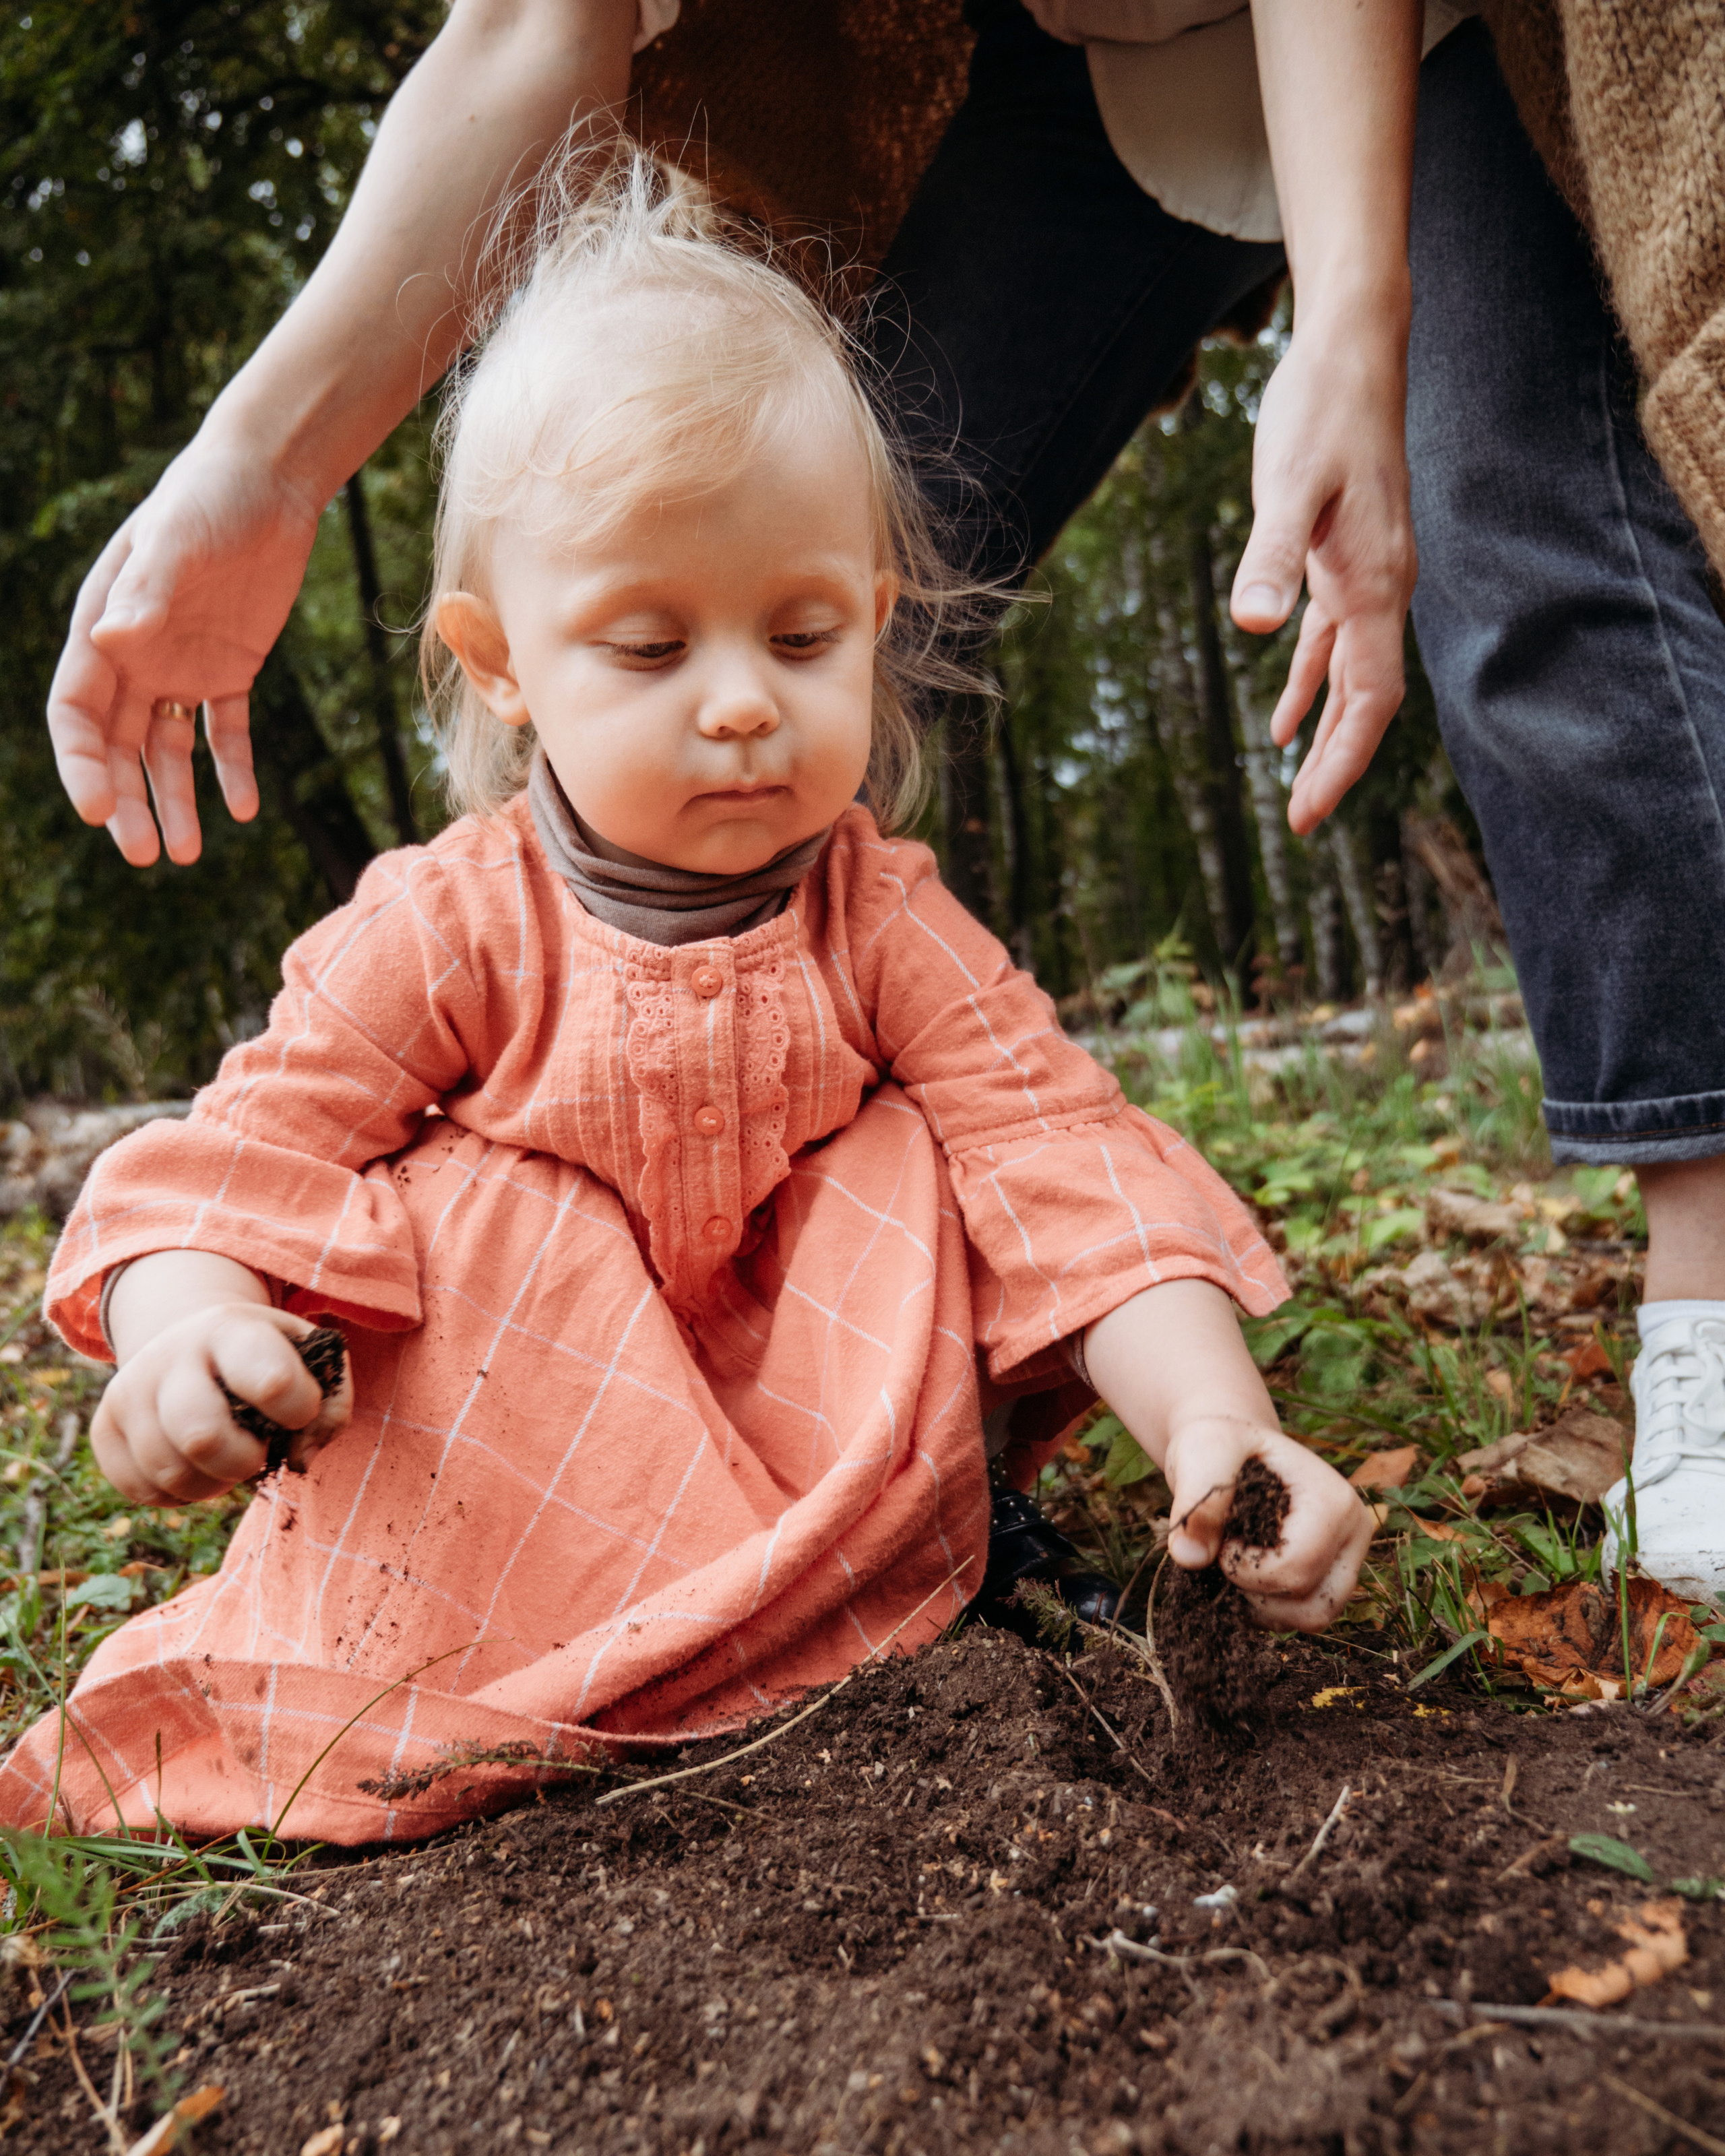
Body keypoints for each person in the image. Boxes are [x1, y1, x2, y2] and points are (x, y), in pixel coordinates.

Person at [0, 154, 1373, 1842]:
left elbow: (1064, 1168)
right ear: (502, 660)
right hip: (534, 1477)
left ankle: (882, 1584)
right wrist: (185, 1331)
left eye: (801, 638)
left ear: (875, 622)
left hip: (827, 1450)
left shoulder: (877, 916)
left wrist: (1220, 1425)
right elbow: (241, 1161)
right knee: (458, 1197)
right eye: (650, 649)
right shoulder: (453, 922)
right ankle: (558, 1651)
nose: (738, 705)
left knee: (922, 1150)